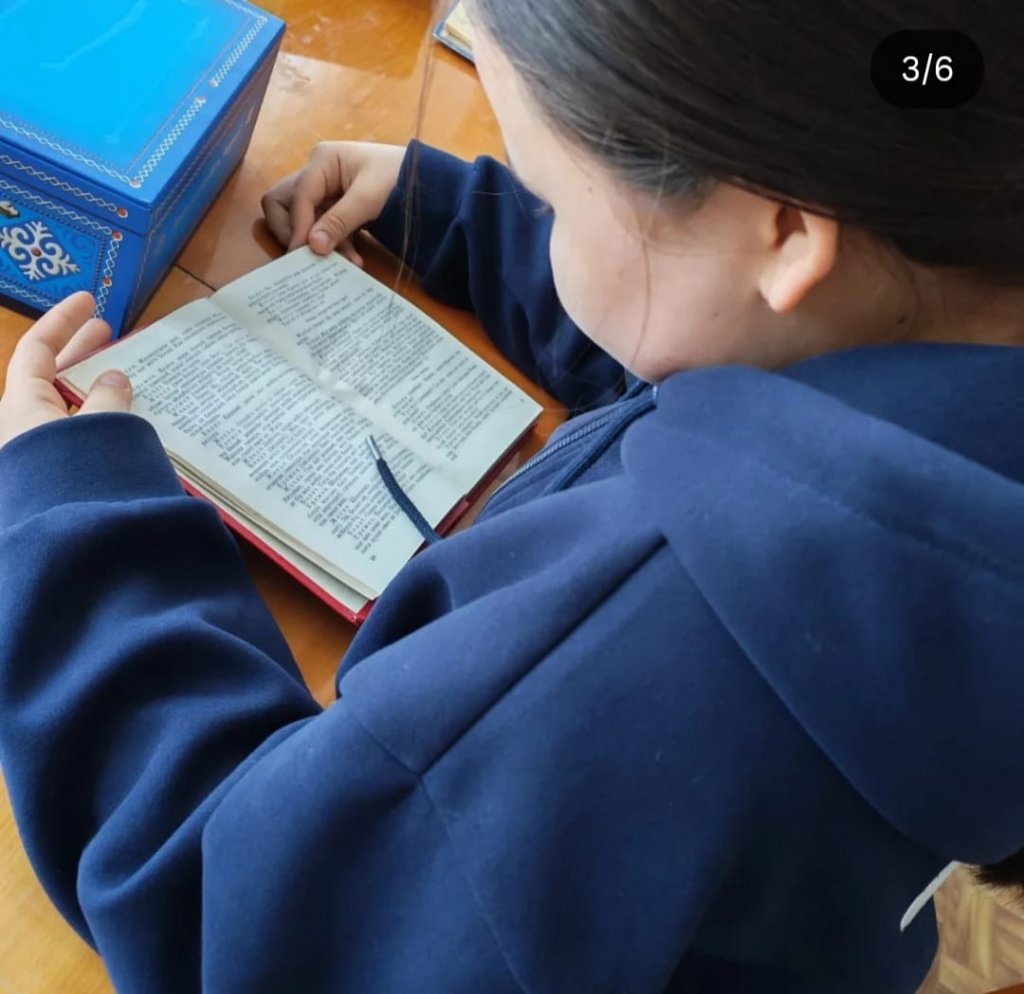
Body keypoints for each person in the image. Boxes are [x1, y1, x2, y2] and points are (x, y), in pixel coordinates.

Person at [0, 1, 1021, 991]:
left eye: (553, 197)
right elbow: (725, 327)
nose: (545, 216)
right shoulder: (958, 321)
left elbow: (235, 928)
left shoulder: (620, 661)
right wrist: (457, 213)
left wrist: (68, 515)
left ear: (786, 232)